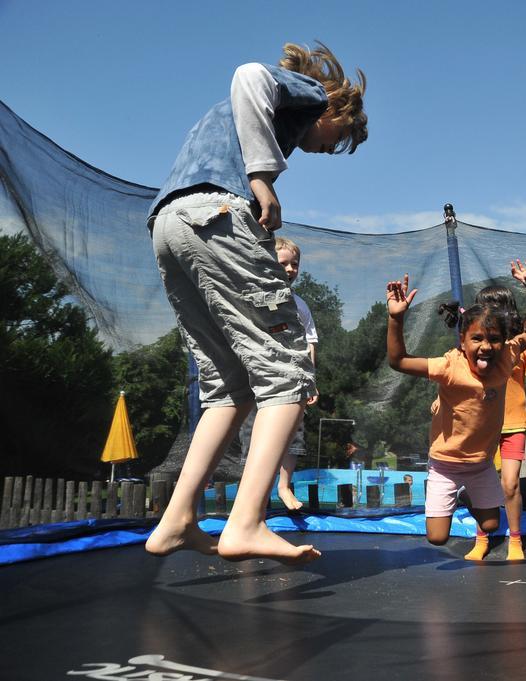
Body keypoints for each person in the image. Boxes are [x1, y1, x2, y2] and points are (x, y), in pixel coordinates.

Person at [144, 41, 368, 563]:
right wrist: (262, 176)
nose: (329, 150)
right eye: (340, 139)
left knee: (228, 385)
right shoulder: (309, 95)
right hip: (217, 214)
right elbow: (248, 74)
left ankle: (177, 519)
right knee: (288, 371)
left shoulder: (231, 123)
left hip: (169, 223)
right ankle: (246, 521)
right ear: (335, 109)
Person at [385, 262, 526, 558]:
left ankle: (469, 494)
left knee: (492, 523)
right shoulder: (449, 365)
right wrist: (396, 319)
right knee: (437, 538)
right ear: (462, 341)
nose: (486, 347)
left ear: (503, 342)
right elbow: (399, 361)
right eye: (477, 339)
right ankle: (456, 493)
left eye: (494, 339)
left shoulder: (507, 357)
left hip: (480, 464)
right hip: (445, 463)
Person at [238, 237, 319, 511]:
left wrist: (311, 381)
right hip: (258, 380)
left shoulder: (300, 305)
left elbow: (310, 344)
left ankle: (284, 486)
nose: (290, 269)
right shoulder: (253, 296)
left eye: (294, 264)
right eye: (283, 263)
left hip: (293, 378)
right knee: (252, 433)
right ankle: (254, 496)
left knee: (293, 434)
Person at [476, 285, 526, 561]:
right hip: (484, 424)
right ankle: (481, 538)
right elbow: (455, 376)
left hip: (514, 422)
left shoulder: (521, 344)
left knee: (510, 484)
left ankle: (515, 540)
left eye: (492, 307)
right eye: (483, 307)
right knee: (482, 483)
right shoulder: (479, 344)